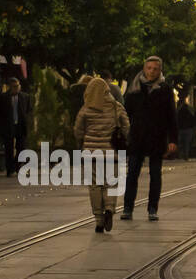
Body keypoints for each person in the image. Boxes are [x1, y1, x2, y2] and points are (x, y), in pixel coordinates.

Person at [121, 56, 177, 222]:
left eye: (155, 69)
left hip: (157, 138)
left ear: (160, 71)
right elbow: (125, 113)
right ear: (144, 69)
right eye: (149, 68)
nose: (152, 71)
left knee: (155, 174)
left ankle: (153, 208)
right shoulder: (134, 88)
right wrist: (124, 134)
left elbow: (171, 116)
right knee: (132, 174)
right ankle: (127, 208)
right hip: (137, 137)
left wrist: (173, 139)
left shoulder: (165, 89)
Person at [74, 76, 130, 233]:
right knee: (111, 184)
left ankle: (99, 219)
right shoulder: (115, 106)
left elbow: (78, 130)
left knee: (95, 186)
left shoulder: (86, 108)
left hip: (92, 154)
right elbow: (126, 126)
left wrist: (82, 141)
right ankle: (110, 209)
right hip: (112, 154)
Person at [0, 77, 31, 177]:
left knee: (21, 147)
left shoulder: (25, 97)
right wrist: (0, 125)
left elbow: (28, 111)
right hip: (8, 126)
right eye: (15, 86)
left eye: (18, 86)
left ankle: (16, 166)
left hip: (20, 125)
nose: (17, 88)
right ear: (10, 87)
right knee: (8, 148)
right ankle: (10, 169)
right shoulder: (3, 98)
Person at [175, 92, 196, 160]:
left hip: (182, 129)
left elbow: (177, 119)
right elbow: (193, 119)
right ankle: (185, 156)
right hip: (187, 129)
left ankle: (180, 155)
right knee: (186, 143)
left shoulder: (179, 111)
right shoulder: (189, 111)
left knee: (180, 143)